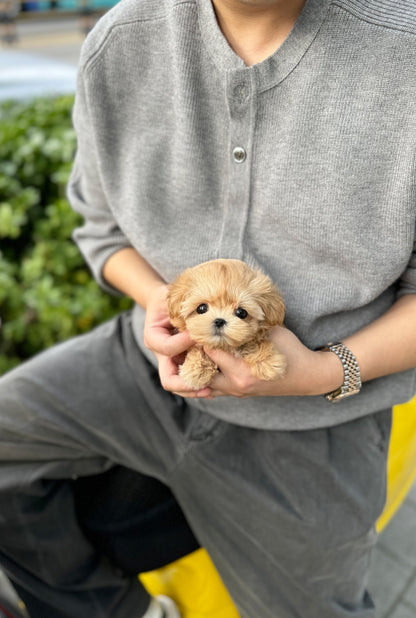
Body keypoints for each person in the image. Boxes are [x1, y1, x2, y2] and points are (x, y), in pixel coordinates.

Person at [0, 0, 415, 616]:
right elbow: (102, 227)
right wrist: (161, 308)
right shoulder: (120, 44)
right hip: (146, 363)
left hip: (322, 419)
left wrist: (326, 372)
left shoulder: (402, 51)